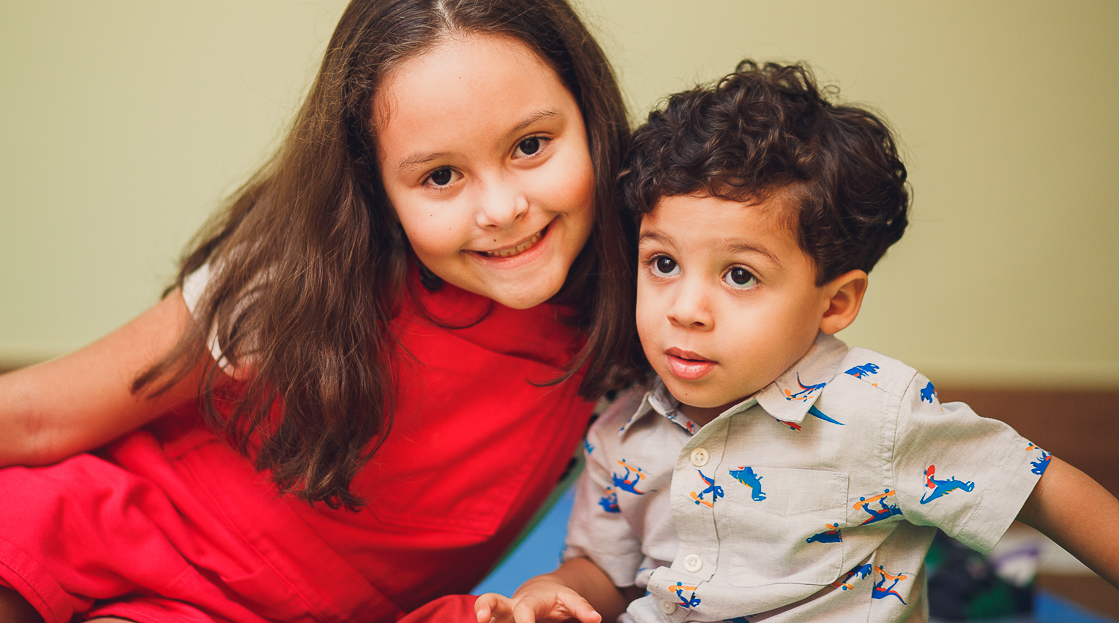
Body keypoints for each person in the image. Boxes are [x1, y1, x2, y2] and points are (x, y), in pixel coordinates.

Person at [0, 0, 646, 623]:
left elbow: (618, 553)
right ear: (375, 184)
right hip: (97, 520)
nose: (502, 209)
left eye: (530, 145)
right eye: (441, 176)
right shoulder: (300, 267)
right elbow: (41, 415)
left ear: (589, 113)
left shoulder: (650, 315)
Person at [475, 62, 1119, 623]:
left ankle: (979, 585)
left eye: (740, 275)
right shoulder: (621, 428)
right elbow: (604, 574)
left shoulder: (879, 415)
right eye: (663, 264)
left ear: (834, 303)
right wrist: (552, 590)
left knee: (980, 576)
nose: (686, 310)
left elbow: (1043, 489)